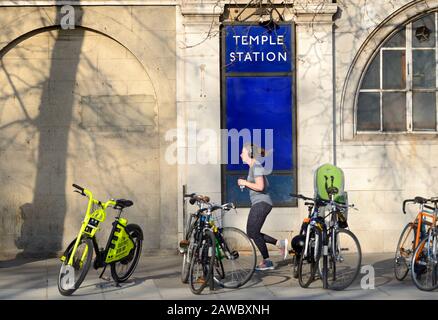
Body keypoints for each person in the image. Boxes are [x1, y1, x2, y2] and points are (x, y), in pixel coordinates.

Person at [237, 143, 287, 271]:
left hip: (262, 203)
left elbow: (260, 187)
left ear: (249, 154)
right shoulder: (253, 167)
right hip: (260, 203)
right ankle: (279, 244)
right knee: (252, 232)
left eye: (243, 152)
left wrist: (245, 182)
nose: (241, 154)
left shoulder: (256, 166)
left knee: (252, 232)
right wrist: (246, 183)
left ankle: (268, 261)